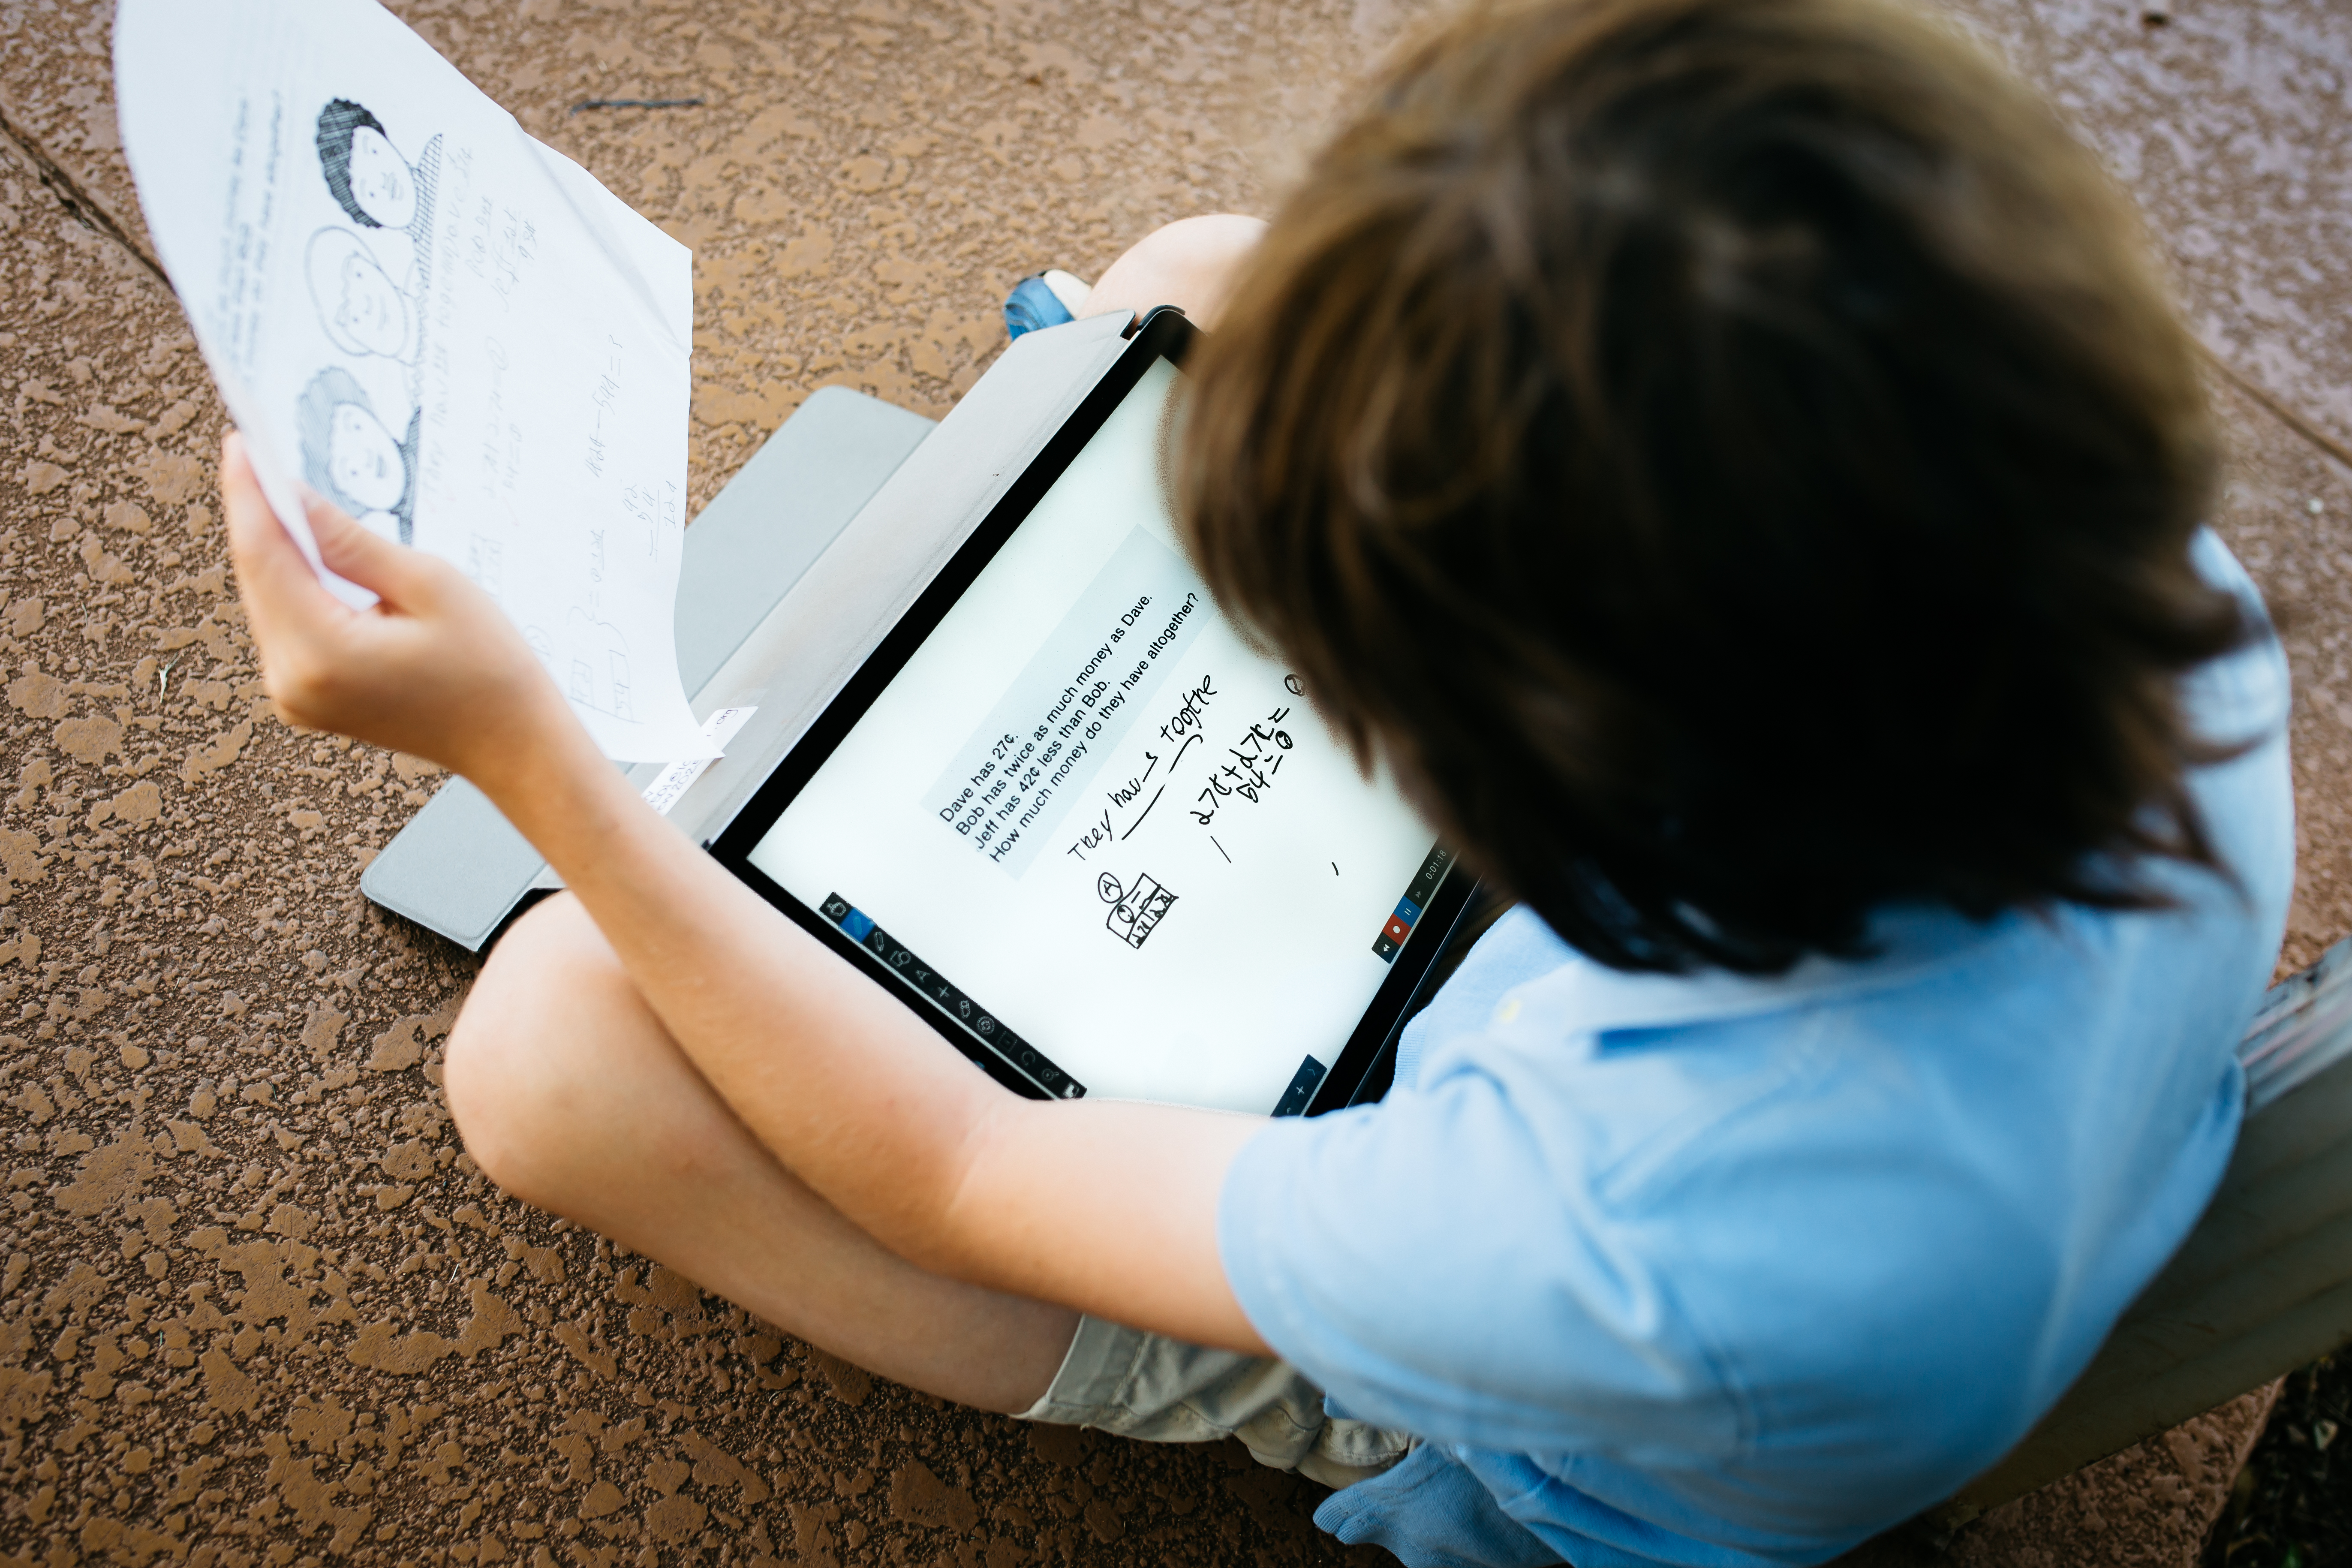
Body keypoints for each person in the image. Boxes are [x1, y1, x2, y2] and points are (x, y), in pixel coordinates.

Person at [219, 0, 2294, 1562]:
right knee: (1209, 281)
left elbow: (959, 1175)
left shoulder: (1597, 1234)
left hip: (1488, 1358)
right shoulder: (2121, 581)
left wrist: (536, 763)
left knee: (553, 1039)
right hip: (1786, 1070)